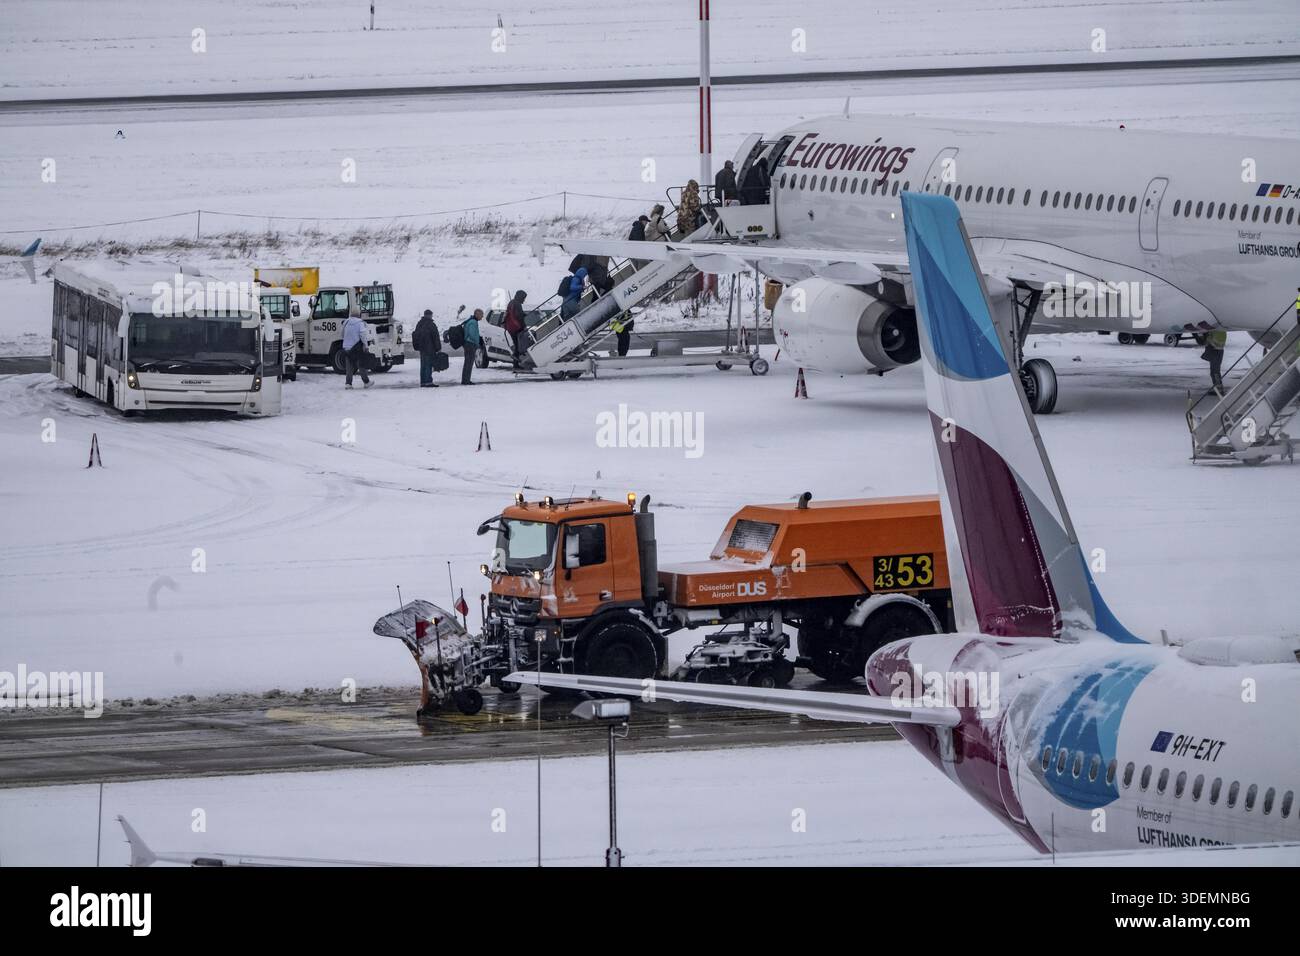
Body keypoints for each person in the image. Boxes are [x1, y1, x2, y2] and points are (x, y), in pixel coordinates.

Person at [341, 307, 371, 389]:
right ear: (359, 314)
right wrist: (365, 345)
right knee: (361, 365)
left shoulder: (346, 322)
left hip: (346, 347)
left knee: (349, 367)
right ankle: (366, 382)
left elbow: (342, 334)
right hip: (356, 348)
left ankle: (348, 383)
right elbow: (363, 335)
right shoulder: (360, 323)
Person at [412, 309, 441, 387]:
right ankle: (428, 381)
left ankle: (423, 382)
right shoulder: (431, 324)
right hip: (430, 348)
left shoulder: (419, 324)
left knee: (423, 365)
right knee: (429, 365)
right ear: (430, 315)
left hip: (422, 348)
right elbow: (435, 337)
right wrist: (438, 348)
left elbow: (416, 335)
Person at [504, 290, 528, 367]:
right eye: (523, 298)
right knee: (520, 345)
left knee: (517, 344)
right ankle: (516, 359)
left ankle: (516, 364)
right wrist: (524, 326)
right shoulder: (517, 304)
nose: (524, 299)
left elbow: (513, 313)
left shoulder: (511, 302)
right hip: (516, 327)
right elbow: (519, 316)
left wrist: (522, 314)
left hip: (510, 327)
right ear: (520, 297)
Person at [1202, 327, 1227, 395]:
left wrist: (1207, 339)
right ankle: (1218, 388)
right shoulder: (1222, 330)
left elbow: (1212, 341)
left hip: (1215, 351)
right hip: (1218, 351)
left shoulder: (1216, 330)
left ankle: (1219, 390)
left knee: (1214, 372)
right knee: (1215, 371)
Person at [461, 308, 482, 385]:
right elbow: (472, 334)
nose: (482, 317)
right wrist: (477, 342)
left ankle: (465, 380)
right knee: (469, 363)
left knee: (467, 362)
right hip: (470, 344)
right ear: (477, 314)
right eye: (481, 315)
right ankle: (466, 380)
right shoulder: (473, 322)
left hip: (467, 343)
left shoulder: (470, 321)